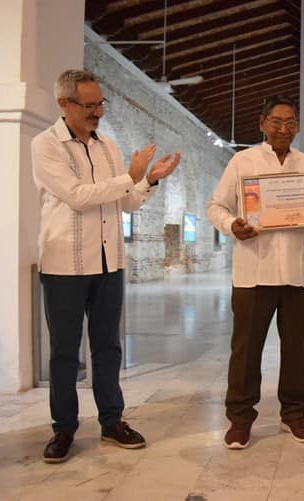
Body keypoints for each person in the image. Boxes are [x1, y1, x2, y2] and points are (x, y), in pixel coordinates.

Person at [32, 69, 181, 463]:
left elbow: (125, 202)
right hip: (64, 262)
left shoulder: (108, 147)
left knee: (109, 347)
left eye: (100, 104)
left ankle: (112, 421)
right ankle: (63, 428)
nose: (97, 111)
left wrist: (148, 181)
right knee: (65, 351)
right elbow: (78, 197)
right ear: (64, 104)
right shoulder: (45, 145)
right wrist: (129, 177)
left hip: (108, 261)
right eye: (89, 105)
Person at [206, 95, 304, 450]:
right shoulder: (242, 161)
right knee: (246, 350)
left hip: (296, 272)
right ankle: (240, 420)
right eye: (277, 121)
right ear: (262, 123)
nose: (284, 128)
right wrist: (232, 224)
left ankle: (295, 414)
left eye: (291, 122)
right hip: (253, 272)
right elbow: (215, 206)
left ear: (297, 126)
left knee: (296, 348)